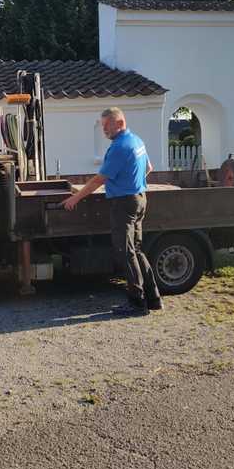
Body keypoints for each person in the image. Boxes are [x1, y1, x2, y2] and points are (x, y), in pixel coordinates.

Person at [61, 107, 163, 315]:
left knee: (125, 253)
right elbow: (149, 167)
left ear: (119, 123)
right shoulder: (136, 140)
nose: (104, 130)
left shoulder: (119, 147)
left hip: (124, 204)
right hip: (139, 199)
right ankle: (153, 297)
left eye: (107, 125)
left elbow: (100, 179)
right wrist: (133, 180)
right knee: (136, 249)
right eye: (102, 126)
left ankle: (137, 303)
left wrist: (75, 198)